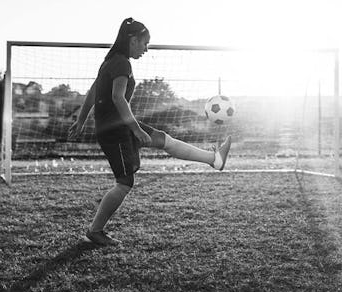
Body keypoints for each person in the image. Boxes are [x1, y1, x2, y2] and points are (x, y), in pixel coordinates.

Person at [68, 17, 232, 246]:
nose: (146, 49)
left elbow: (93, 92)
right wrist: (136, 130)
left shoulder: (110, 61)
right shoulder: (121, 63)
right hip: (115, 131)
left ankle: (214, 160)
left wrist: (82, 120)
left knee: (166, 141)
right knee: (124, 183)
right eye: (144, 43)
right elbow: (117, 98)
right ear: (133, 40)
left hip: (118, 126)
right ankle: (95, 231)